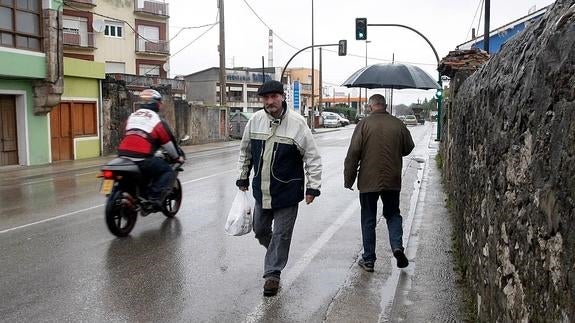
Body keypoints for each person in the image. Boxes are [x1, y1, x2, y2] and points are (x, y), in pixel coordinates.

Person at [236, 80, 322, 297]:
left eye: (274, 96)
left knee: (282, 234)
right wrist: (242, 177)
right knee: (260, 230)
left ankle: (272, 275)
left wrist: (312, 187)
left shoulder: (297, 123)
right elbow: (245, 151)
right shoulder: (255, 121)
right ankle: (276, 253)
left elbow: (312, 157)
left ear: (282, 97)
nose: (270, 101)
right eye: (266, 98)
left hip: (287, 192)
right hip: (262, 191)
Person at [343, 94, 414, 272]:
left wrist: (349, 179)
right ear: (385, 105)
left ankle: (368, 260)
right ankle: (397, 247)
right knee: (392, 214)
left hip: (368, 180)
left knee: (368, 218)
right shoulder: (398, 124)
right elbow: (408, 147)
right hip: (392, 179)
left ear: (370, 106)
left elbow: (353, 154)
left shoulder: (363, 124)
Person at [117, 89, 185, 212]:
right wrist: (176, 157)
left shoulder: (132, 116)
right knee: (167, 171)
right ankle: (153, 199)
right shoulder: (156, 119)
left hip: (123, 156)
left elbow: (125, 134)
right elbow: (167, 142)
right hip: (141, 157)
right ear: (157, 104)